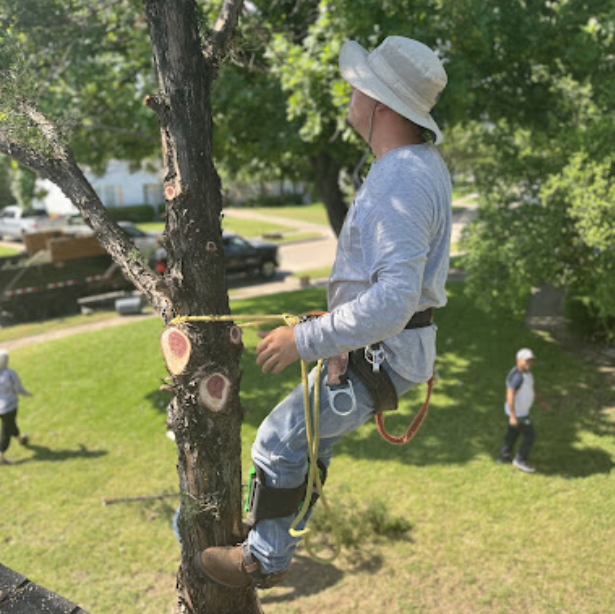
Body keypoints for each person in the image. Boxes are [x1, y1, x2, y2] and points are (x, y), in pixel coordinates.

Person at [194, 35, 451, 588]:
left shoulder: (400, 178)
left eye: (359, 87)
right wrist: (332, 330)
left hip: (383, 351)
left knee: (278, 439)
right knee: (307, 441)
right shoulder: (421, 166)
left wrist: (307, 343)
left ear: (380, 103)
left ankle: (264, 556)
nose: (350, 95)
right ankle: (274, 521)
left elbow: (394, 299)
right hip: (392, 350)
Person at [497, 348, 549, 473]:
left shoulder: (527, 374)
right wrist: (513, 416)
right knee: (530, 435)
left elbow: (531, 388)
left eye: (531, 361)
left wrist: (541, 401)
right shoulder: (517, 377)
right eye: (526, 361)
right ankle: (520, 460)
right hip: (518, 414)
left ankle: (504, 457)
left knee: (512, 433)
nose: (529, 363)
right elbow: (509, 396)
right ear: (518, 361)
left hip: (519, 412)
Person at [0, 349, 32, 465]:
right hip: (9, 407)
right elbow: (18, 388)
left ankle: (20, 439)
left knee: (10, 424)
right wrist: (26, 393)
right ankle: (1, 457)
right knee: (6, 430)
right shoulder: (10, 374)